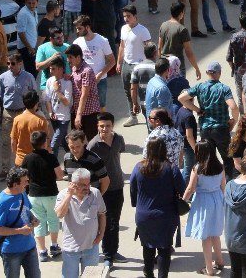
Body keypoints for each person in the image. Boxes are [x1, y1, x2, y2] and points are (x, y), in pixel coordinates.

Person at [130, 137, 186, 278]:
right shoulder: (171, 168)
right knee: (164, 249)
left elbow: (132, 189)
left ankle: (148, 273)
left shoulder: (138, 167)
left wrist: (137, 204)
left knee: (147, 246)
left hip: (144, 215)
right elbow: (182, 189)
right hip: (166, 216)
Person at [179, 62, 239, 173]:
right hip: (221, 129)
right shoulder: (224, 88)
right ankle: (228, 184)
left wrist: (197, 110)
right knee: (228, 160)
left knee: (207, 161)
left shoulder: (200, 86)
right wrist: (233, 121)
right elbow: (234, 107)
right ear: (219, 73)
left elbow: (182, 98)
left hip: (205, 129)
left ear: (207, 72)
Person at [86, 112, 126, 266]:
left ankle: (113, 251)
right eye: (101, 126)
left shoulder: (118, 139)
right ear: (97, 127)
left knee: (115, 220)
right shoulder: (93, 145)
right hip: (102, 189)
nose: (104, 129)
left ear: (112, 126)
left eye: (107, 126)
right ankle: (108, 255)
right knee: (106, 222)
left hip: (117, 185)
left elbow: (118, 154)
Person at [183, 140, 227, 276]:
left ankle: (209, 269)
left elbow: (191, 188)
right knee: (215, 233)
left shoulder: (197, 168)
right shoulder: (220, 166)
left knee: (205, 236)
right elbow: (223, 185)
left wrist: (183, 200)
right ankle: (220, 261)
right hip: (217, 198)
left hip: (203, 201)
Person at [55, 167, 106, 278]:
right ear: (73, 184)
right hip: (71, 249)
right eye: (83, 185)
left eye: (88, 184)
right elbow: (59, 214)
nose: (87, 188)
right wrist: (69, 194)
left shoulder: (95, 193)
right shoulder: (63, 195)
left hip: (91, 247)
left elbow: (102, 214)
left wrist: (101, 234)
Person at [21, 131, 64, 263]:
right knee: (53, 219)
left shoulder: (28, 158)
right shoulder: (51, 157)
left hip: (34, 194)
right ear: (45, 142)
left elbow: (23, 175)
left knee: (38, 222)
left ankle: (42, 251)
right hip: (51, 193)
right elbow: (60, 175)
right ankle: (54, 245)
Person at [0, 167, 40, 278]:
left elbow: (27, 211)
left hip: (30, 247)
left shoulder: (22, 193)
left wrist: (33, 219)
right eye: (25, 182)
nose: (27, 184)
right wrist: (20, 231)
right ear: (15, 184)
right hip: (12, 251)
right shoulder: (1, 202)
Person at [0, 56, 39, 176]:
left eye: (13, 63)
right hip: (8, 113)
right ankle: (5, 168)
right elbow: (1, 94)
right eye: (8, 63)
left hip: (23, 113)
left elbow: (34, 93)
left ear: (20, 63)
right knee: (6, 141)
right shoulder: (3, 77)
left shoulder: (28, 77)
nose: (10, 66)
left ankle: (24, 166)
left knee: (24, 140)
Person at [73, 15, 117, 114]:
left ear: (87, 27)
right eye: (76, 28)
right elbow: (73, 62)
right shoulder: (77, 42)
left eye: (79, 28)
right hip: (83, 80)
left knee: (101, 106)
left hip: (100, 80)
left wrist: (100, 75)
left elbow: (112, 61)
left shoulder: (102, 41)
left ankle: (102, 125)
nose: (77, 31)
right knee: (83, 104)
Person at [158, 2, 201, 80]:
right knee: (179, 90)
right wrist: (197, 68)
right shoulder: (182, 29)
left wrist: (159, 64)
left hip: (164, 66)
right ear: (181, 13)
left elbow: (159, 47)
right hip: (177, 67)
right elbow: (189, 52)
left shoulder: (163, 25)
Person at [11, 91, 52, 168]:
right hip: (37, 160)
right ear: (36, 104)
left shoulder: (17, 119)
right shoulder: (41, 121)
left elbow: (13, 141)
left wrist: (17, 155)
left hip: (20, 160)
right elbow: (46, 142)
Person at [45, 58, 74, 155]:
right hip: (54, 117)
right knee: (64, 142)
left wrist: (57, 91)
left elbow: (66, 102)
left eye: (53, 69)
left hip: (63, 118)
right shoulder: (49, 81)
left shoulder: (67, 83)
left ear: (61, 69)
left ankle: (53, 167)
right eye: (50, 68)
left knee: (54, 144)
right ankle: (73, 158)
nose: (51, 71)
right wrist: (50, 112)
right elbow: (47, 99)